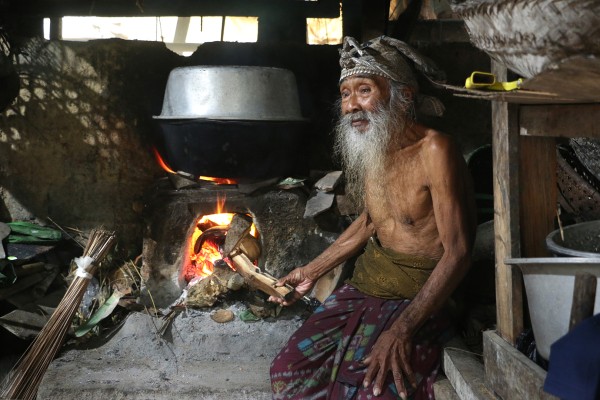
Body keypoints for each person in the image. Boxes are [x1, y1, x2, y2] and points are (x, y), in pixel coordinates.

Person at [269, 35, 477, 400]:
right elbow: (372, 220)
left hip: (419, 294)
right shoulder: (373, 147)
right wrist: (311, 271)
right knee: (289, 372)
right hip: (369, 283)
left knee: (366, 388)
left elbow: (458, 253)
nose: (351, 106)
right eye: (345, 94)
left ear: (403, 96)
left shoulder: (435, 150)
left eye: (364, 90)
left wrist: (402, 329)